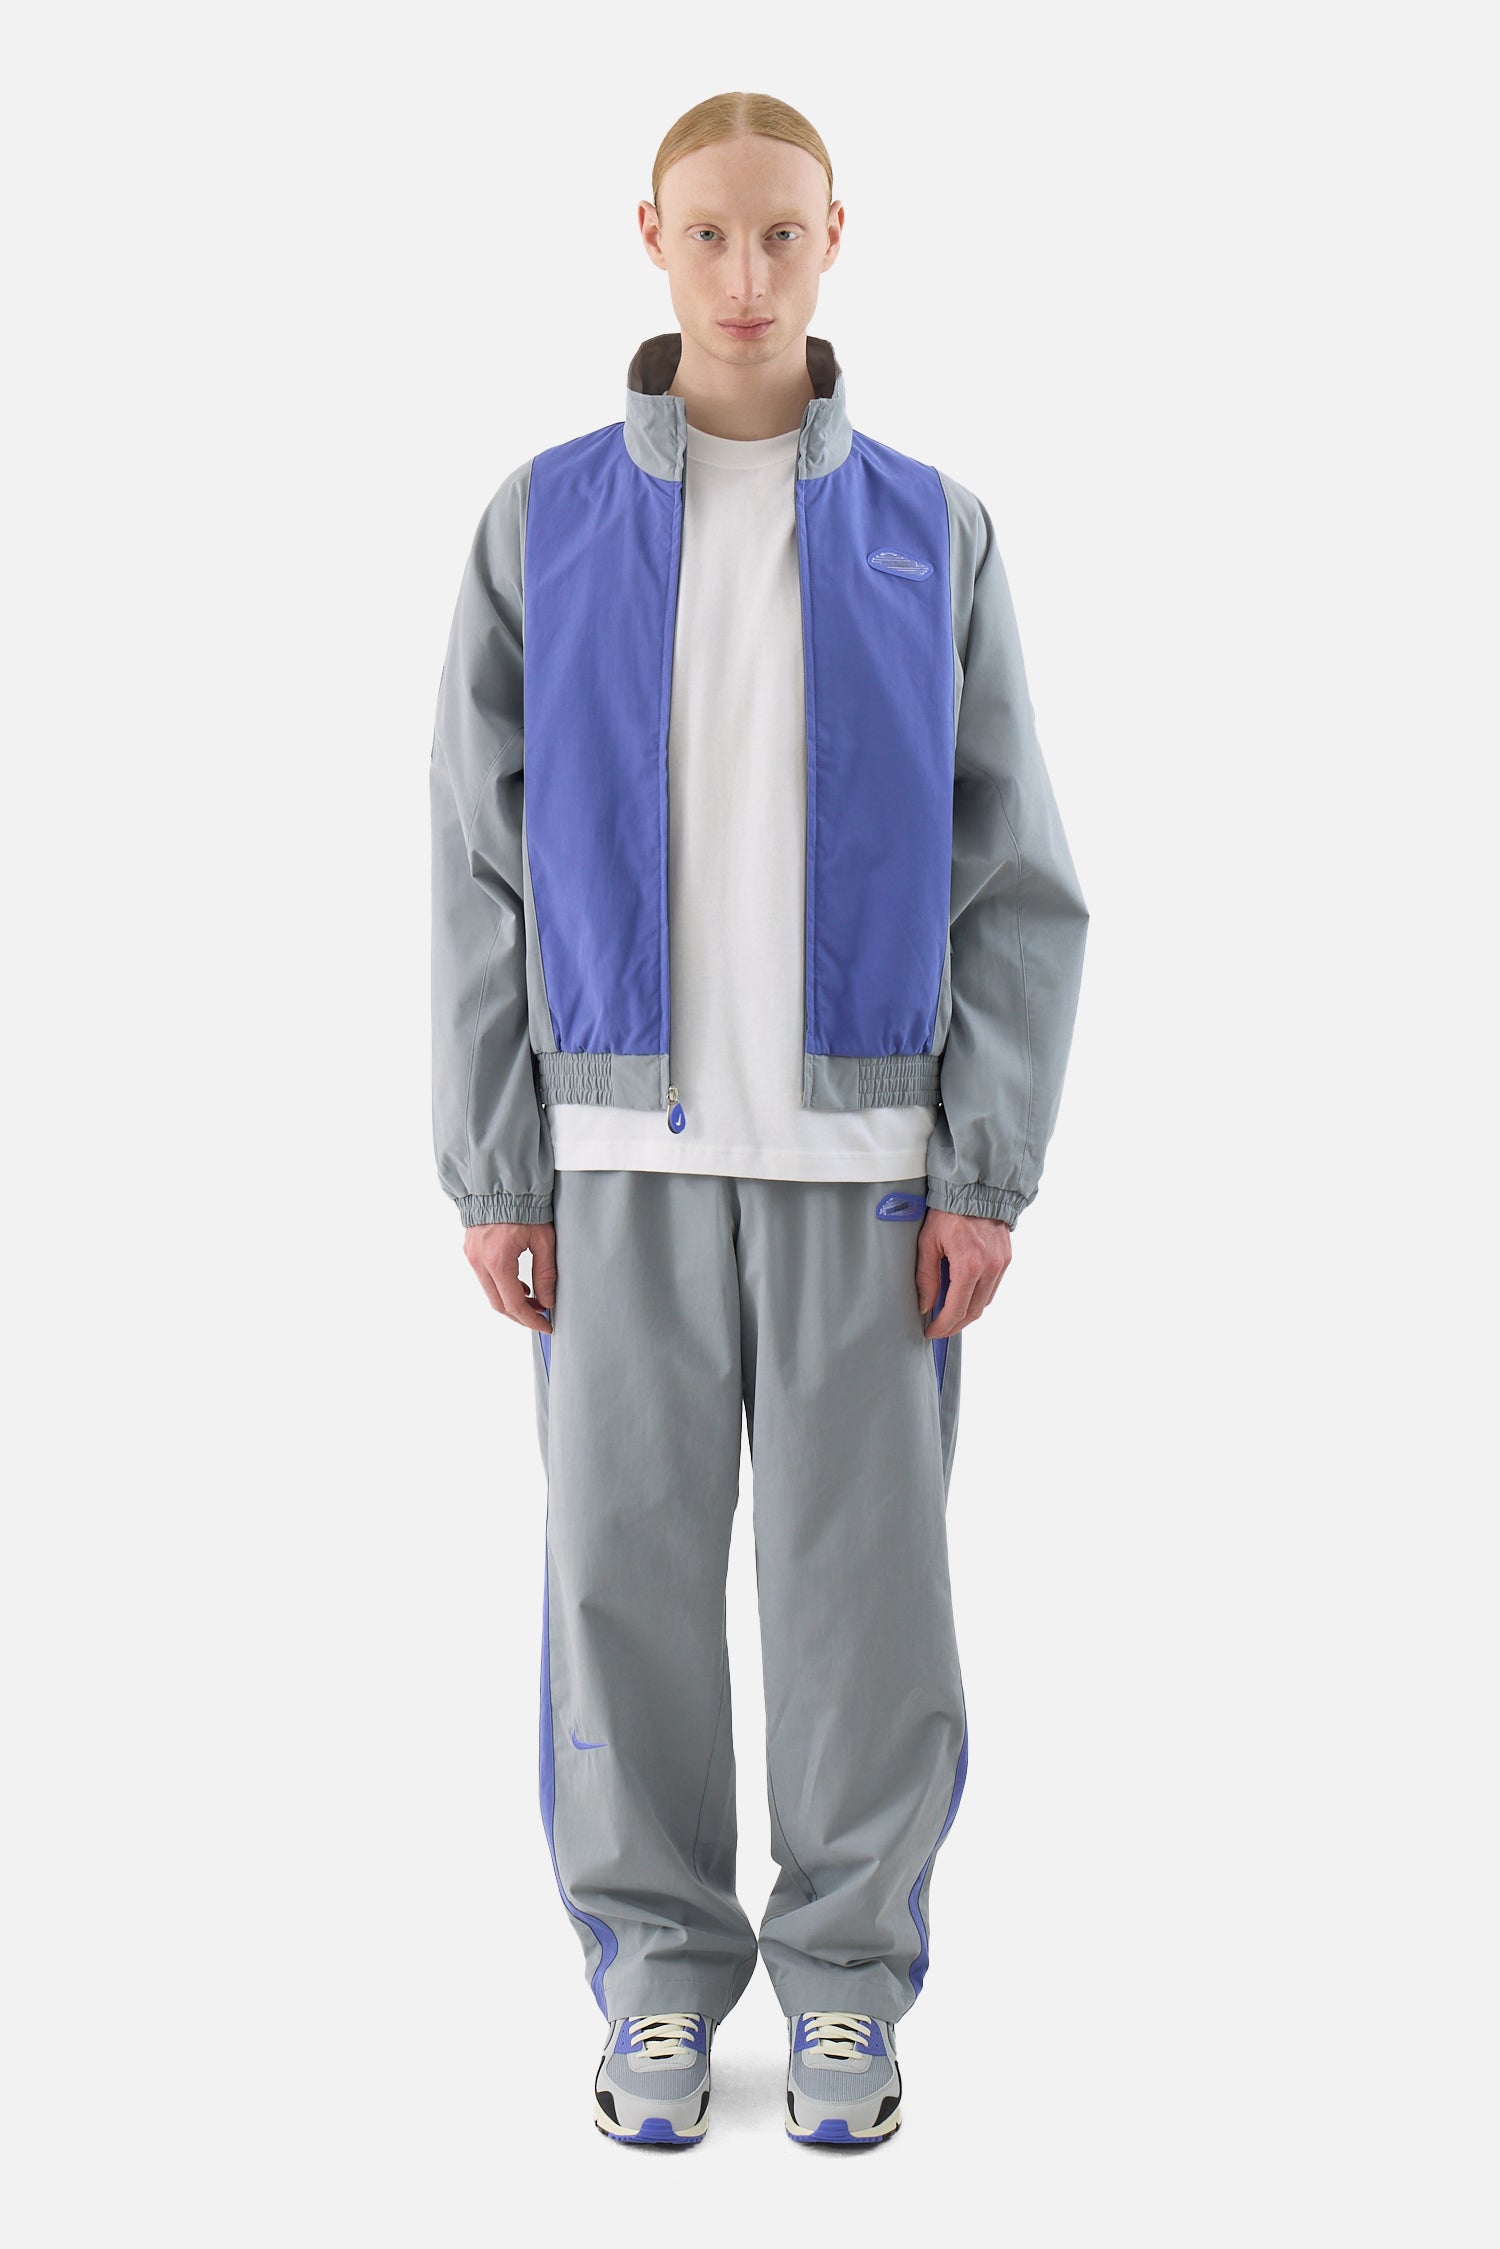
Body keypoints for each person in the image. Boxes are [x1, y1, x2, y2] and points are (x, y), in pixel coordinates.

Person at [429, 90, 1088, 2150]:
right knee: (617, 1588)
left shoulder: (929, 530)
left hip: (866, 1167)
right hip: (611, 1160)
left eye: (780, 235)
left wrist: (985, 1164)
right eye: (708, 234)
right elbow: (477, 865)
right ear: (650, 235)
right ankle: (653, 1974)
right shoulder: (539, 525)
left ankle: (847, 1987)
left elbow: (1015, 873)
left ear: (834, 240)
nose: (744, 276)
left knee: (863, 1605)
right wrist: (495, 1157)